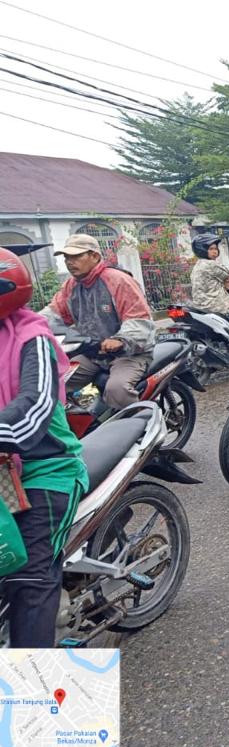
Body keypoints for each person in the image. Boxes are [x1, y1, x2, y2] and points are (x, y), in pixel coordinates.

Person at [0, 253, 88, 647]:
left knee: (30, 580)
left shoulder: (32, 339)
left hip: (43, 467)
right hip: (4, 470)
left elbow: (32, 407)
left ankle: (32, 703)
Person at [41, 234, 154, 408]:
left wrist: (120, 340)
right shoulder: (71, 285)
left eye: (76, 256)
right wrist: (26, 325)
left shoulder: (118, 280)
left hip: (129, 353)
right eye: (66, 257)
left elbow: (138, 319)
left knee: (117, 390)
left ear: (94, 256)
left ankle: (138, 428)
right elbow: (54, 313)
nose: (69, 262)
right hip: (93, 353)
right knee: (53, 384)